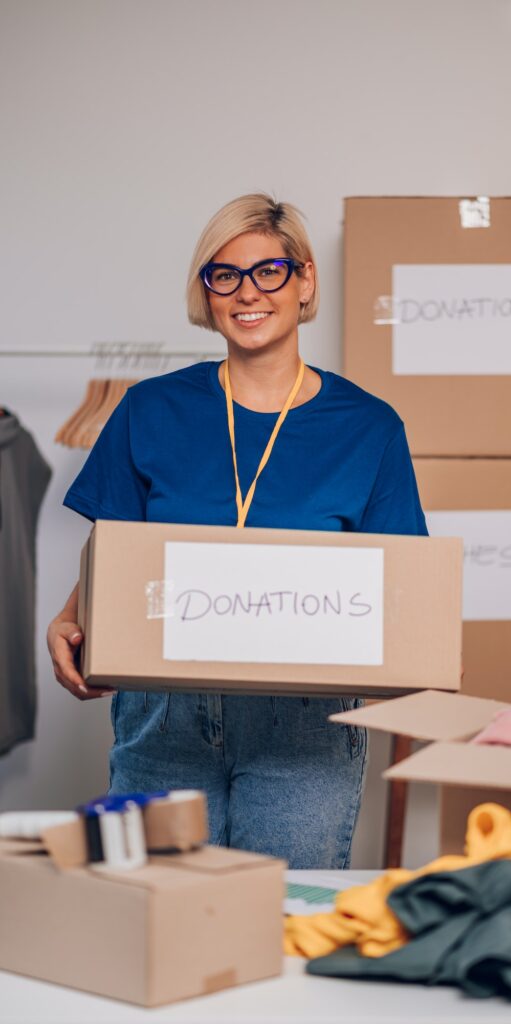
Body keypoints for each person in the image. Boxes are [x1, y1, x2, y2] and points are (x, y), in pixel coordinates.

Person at [47, 193, 427, 869]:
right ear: (207, 291)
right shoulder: (149, 409)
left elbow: (398, 589)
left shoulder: (368, 427)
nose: (246, 292)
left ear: (305, 280)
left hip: (305, 726)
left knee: (283, 927)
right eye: (224, 275)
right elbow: (112, 547)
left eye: (268, 271)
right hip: (164, 712)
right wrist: (70, 618)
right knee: (155, 920)